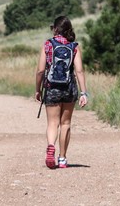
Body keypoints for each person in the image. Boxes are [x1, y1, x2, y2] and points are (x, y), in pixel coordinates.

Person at [35, 15, 88, 169]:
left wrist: (38, 90)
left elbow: (40, 71)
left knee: (52, 123)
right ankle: (63, 158)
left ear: (56, 29)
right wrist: (84, 93)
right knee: (65, 123)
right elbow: (79, 71)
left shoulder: (48, 45)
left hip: (52, 88)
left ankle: (51, 146)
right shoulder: (74, 47)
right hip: (69, 88)